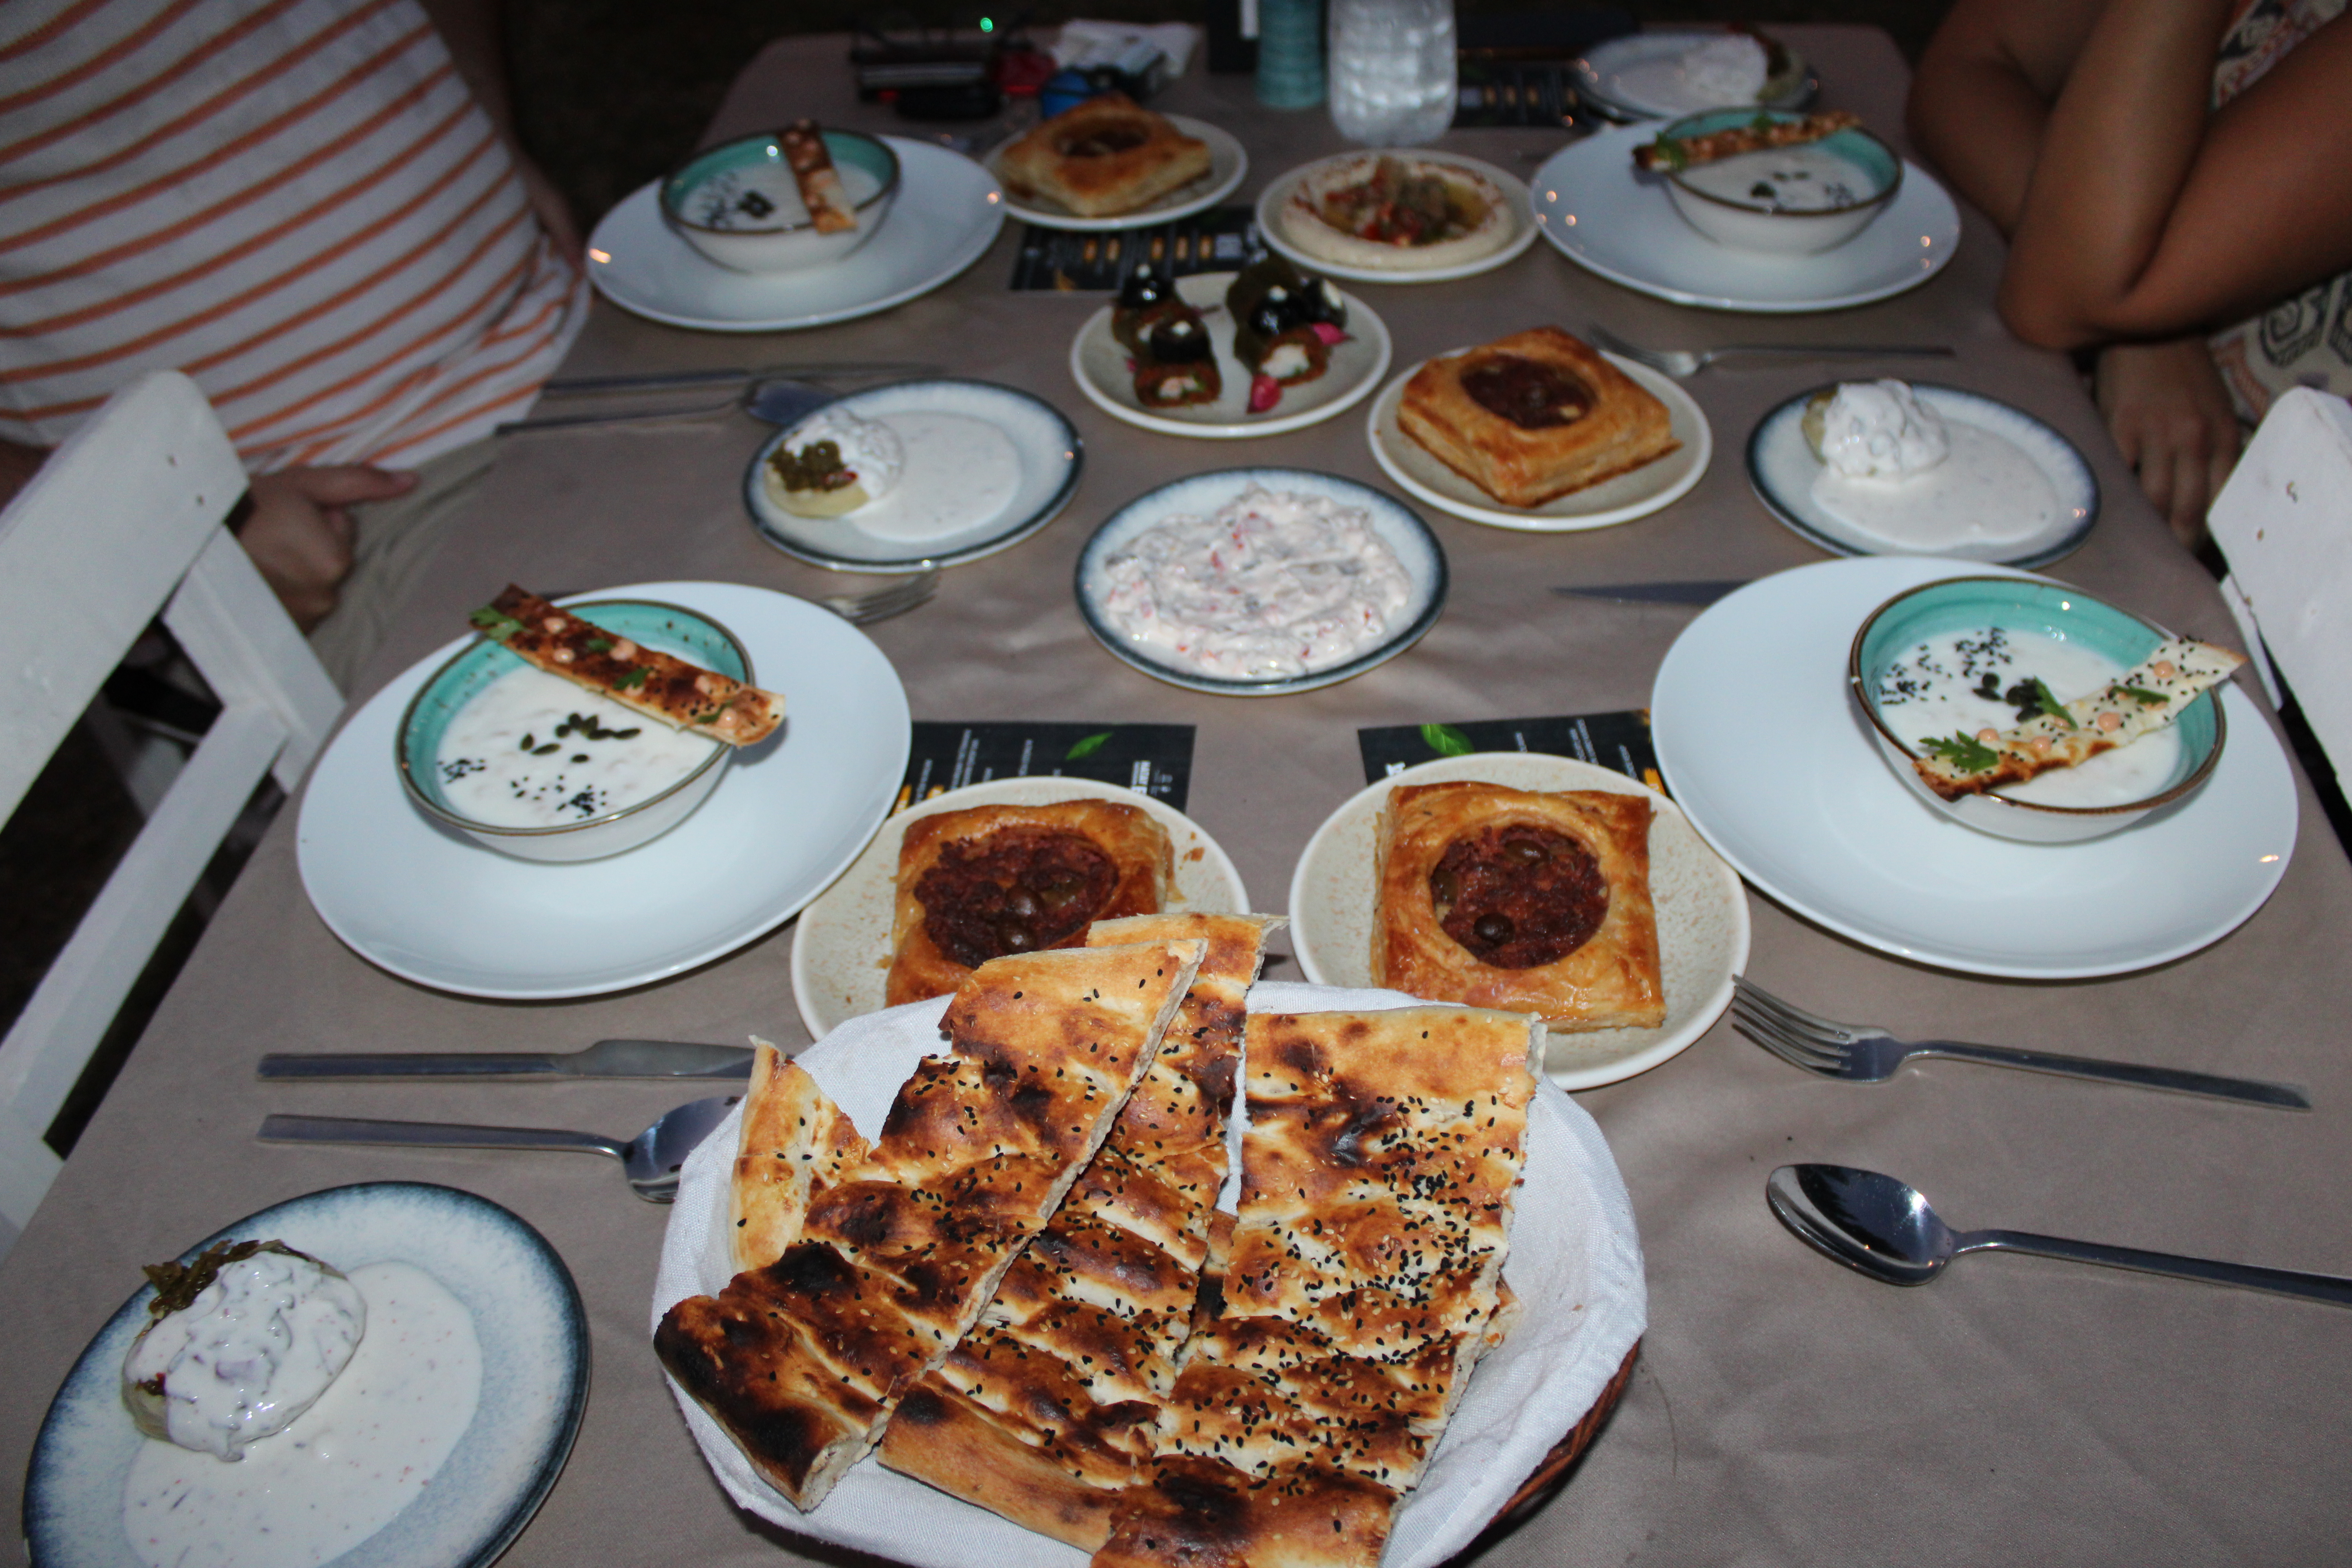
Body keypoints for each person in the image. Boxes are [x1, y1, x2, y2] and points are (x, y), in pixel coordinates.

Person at [0, 0, 588, 684]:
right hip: (362, 507)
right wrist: (174, 526)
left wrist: (488, 118)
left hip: (590, 344)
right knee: (675, 699)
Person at [1908, 0, 2352, 547]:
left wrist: (2116, 284)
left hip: (2284, 572)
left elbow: (2063, 294)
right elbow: (1963, 67)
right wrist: (2138, 306)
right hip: (2132, 458)